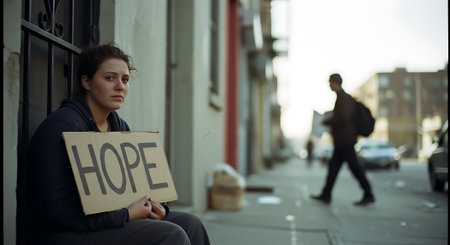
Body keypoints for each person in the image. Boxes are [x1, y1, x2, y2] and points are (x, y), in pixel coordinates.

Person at [24, 43, 211, 245]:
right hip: (63, 233)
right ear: (86, 82)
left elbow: (139, 189)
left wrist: (158, 207)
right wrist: (125, 214)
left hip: (108, 221)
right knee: (171, 235)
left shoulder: (118, 125)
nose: (120, 86)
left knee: (191, 223)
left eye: (125, 79)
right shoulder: (61, 127)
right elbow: (56, 211)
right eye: (110, 78)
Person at [310, 73, 375, 206]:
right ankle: (326, 194)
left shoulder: (343, 98)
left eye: (330, 83)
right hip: (342, 141)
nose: (329, 85)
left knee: (355, 169)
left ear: (335, 83)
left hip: (345, 141)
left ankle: (368, 194)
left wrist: (327, 121)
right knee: (333, 169)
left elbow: (343, 118)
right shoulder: (342, 97)